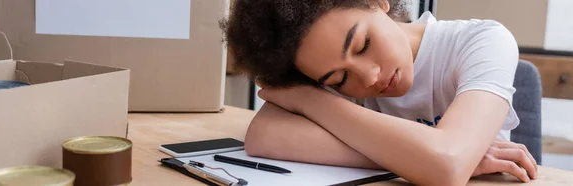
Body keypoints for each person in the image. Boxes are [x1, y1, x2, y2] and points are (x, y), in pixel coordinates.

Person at [220, 0, 539, 185]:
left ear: (378, 2)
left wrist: (309, 101)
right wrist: (417, 158)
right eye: (339, 78)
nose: (369, 76)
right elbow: (263, 138)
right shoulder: (319, 70)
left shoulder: (482, 41)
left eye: (363, 45)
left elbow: (447, 166)